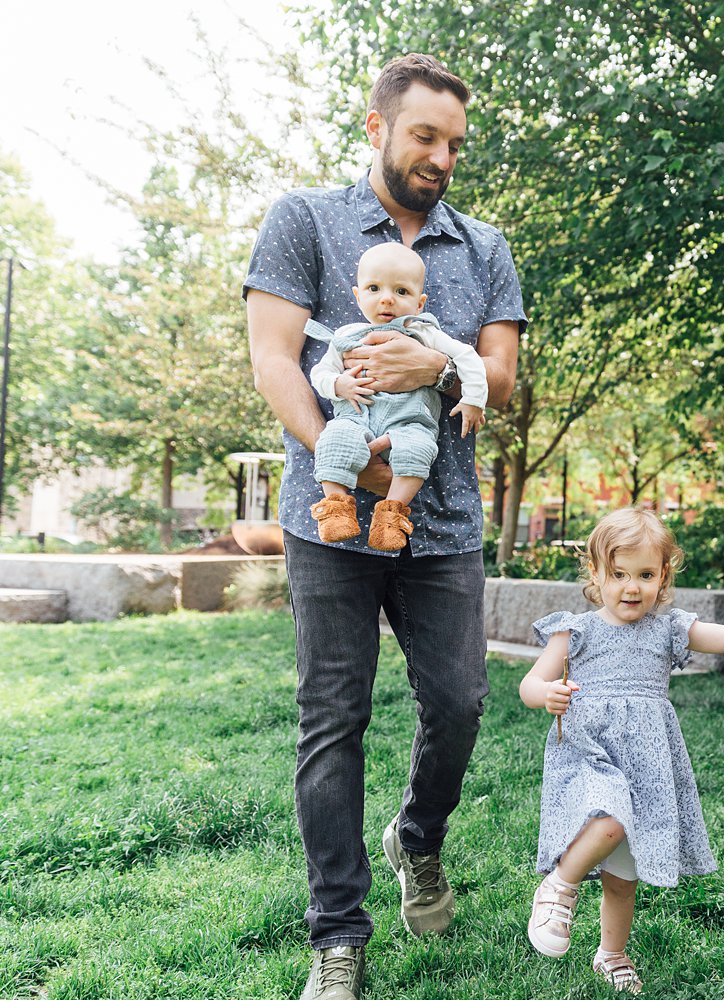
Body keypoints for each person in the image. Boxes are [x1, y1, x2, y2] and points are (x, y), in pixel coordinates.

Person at [244, 53, 525, 1000]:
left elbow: (502, 373)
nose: (441, 156)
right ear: (377, 129)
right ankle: (337, 931)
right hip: (328, 523)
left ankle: (419, 839)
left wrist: (434, 369)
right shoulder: (305, 221)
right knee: (335, 716)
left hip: (439, 521)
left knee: (460, 703)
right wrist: (344, 456)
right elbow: (276, 358)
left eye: (453, 142)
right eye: (424, 137)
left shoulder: (483, 248)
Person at [519, 506, 724, 994]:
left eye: (645, 575)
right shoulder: (576, 630)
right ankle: (558, 888)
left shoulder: (669, 628)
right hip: (591, 754)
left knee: (623, 874)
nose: (632, 587)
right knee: (609, 822)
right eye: (620, 574)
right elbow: (530, 683)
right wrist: (545, 695)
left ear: (663, 575)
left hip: (646, 766)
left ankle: (611, 953)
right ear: (596, 573)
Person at [308, 242, 488, 550]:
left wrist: (473, 400)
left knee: (419, 451)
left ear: (420, 303)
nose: (387, 299)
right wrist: (339, 385)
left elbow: (468, 357)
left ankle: (391, 515)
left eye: (402, 292)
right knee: (333, 441)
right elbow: (319, 374)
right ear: (358, 295)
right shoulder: (345, 336)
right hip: (356, 417)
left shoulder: (424, 332)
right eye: (374, 288)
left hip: (409, 422)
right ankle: (336, 507)